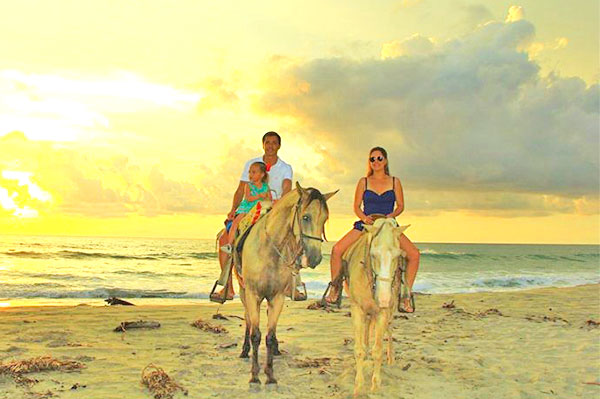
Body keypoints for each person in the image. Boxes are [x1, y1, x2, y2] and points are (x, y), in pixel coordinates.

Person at [325, 146, 420, 312]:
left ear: (386, 161)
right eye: (372, 159)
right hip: (367, 224)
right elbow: (356, 206)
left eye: (379, 158)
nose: (376, 162)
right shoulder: (364, 182)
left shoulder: (394, 181)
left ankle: (405, 295)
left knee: (414, 254)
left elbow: (401, 206)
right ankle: (335, 288)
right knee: (337, 249)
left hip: (388, 224)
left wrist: (391, 216)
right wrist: (364, 218)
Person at [212, 131, 293, 301]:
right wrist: (233, 209)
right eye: (267, 142)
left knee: (293, 237)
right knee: (224, 239)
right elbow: (241, 189)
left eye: (274, 142)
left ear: (279, 146)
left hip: (274, 209)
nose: (270, 145)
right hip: (251, 208)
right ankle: (227, 287)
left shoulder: (286, 168)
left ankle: (292, 284)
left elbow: (287, 187)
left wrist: (281, 201)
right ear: (263, 144)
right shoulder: (252, 164)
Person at [221, 161, 272, 254]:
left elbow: (270, 199)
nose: (250, 175)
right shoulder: (248, 185)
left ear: (262, 175)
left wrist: (266, 197)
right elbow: (248, 198)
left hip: (259, 209)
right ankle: (230, 244)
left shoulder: (266, 186)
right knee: (236, 223)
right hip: (247, 208)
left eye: (253, 172)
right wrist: (259, 196)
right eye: (249, 172)